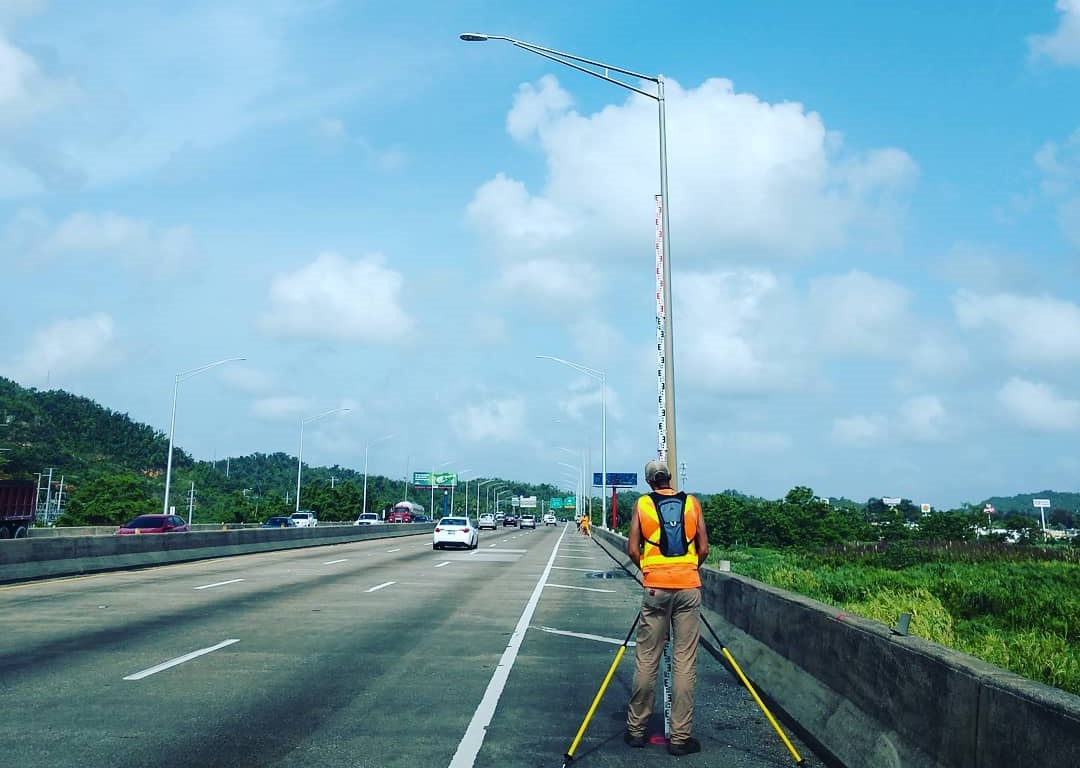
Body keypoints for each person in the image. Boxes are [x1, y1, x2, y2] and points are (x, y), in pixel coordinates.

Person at [625, 459, 709, 756]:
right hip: (688, 587)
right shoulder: (692, 504)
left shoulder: (642, 505)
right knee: (685, 661)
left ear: (649, 482)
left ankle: (636, 731)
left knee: (647, 659)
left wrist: (649, 572)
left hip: (655, 588)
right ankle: (680, 738)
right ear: (670, 478)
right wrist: (688, 573)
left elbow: (633, 549)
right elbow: (704, 548)